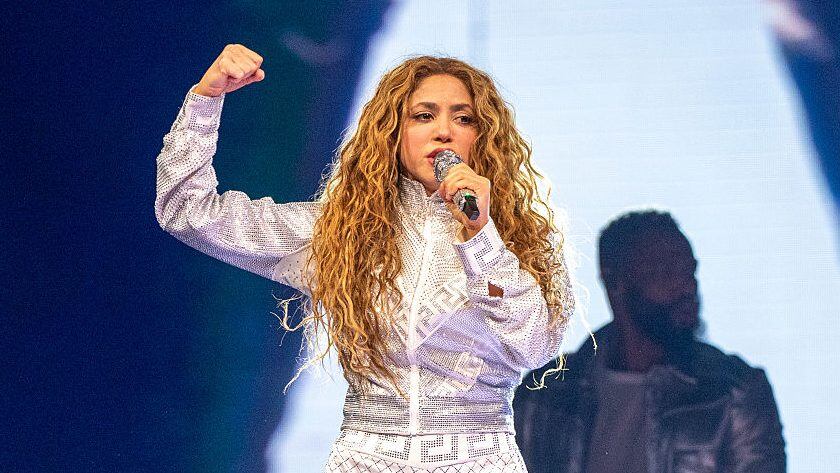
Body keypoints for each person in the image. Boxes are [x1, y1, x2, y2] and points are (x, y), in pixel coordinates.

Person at [155, 44, 575, 471]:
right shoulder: (341, 231)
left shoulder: (520, 239)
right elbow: (187, 211)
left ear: (483, 136)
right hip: (367, 458)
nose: (444, 131)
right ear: (392, 131)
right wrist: (206, 99)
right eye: (423, 116)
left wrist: (480, 236)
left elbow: (535, 345)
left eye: (463, 118)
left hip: (479, 458)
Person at [513, 210, 786, 473]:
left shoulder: (734, 392)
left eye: (689, 271)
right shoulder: (545, 396)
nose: (687, 286)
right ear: (614, 282)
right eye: (666, 272)